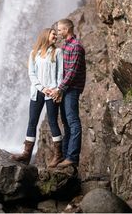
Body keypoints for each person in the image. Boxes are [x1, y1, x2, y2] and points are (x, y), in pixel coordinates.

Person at [11, 28, 64, 167]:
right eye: (54, 34)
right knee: (32, 122)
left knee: (53, 122)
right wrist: (42, 88)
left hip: (52, 92)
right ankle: (26, 154)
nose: (56, 37)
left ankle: (58, 154)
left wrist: (57, 90)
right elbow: (31, 74)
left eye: (56, 35)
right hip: (37, 92)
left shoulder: (57, 52)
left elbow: (60, 74)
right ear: (46, 36)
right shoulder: (34, 53)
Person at [50, 19, 86, 167]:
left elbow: (71, 72)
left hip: (71, 88)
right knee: (65, 122)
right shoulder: (65, 45)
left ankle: (72, 157)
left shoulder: (76, 46)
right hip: (65, 88)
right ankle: (64, 155)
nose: (58, 33)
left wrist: (60, 89)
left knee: (73, 121)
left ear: (66, 30)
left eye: (59, 30)